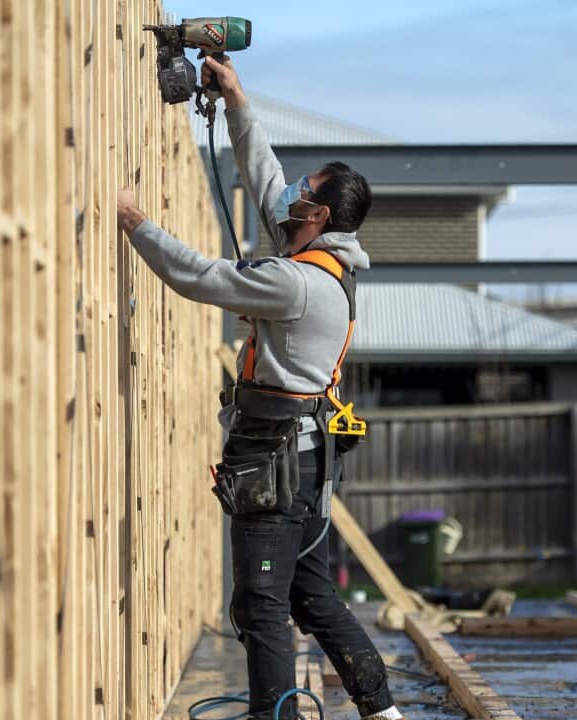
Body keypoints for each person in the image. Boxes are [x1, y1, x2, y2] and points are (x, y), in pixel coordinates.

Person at [116, 55, 403, 720]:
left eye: (304, 189)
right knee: (311, 596)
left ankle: (274, 715)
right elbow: (265, 176)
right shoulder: (322, 264)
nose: (290, 192)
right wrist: (238, 102)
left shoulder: (297, 282)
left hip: (275, 456)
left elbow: (203, 278)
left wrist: (137, 225)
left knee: (261, 603)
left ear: (318, 211)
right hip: (301, 455)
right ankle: (382, 710)